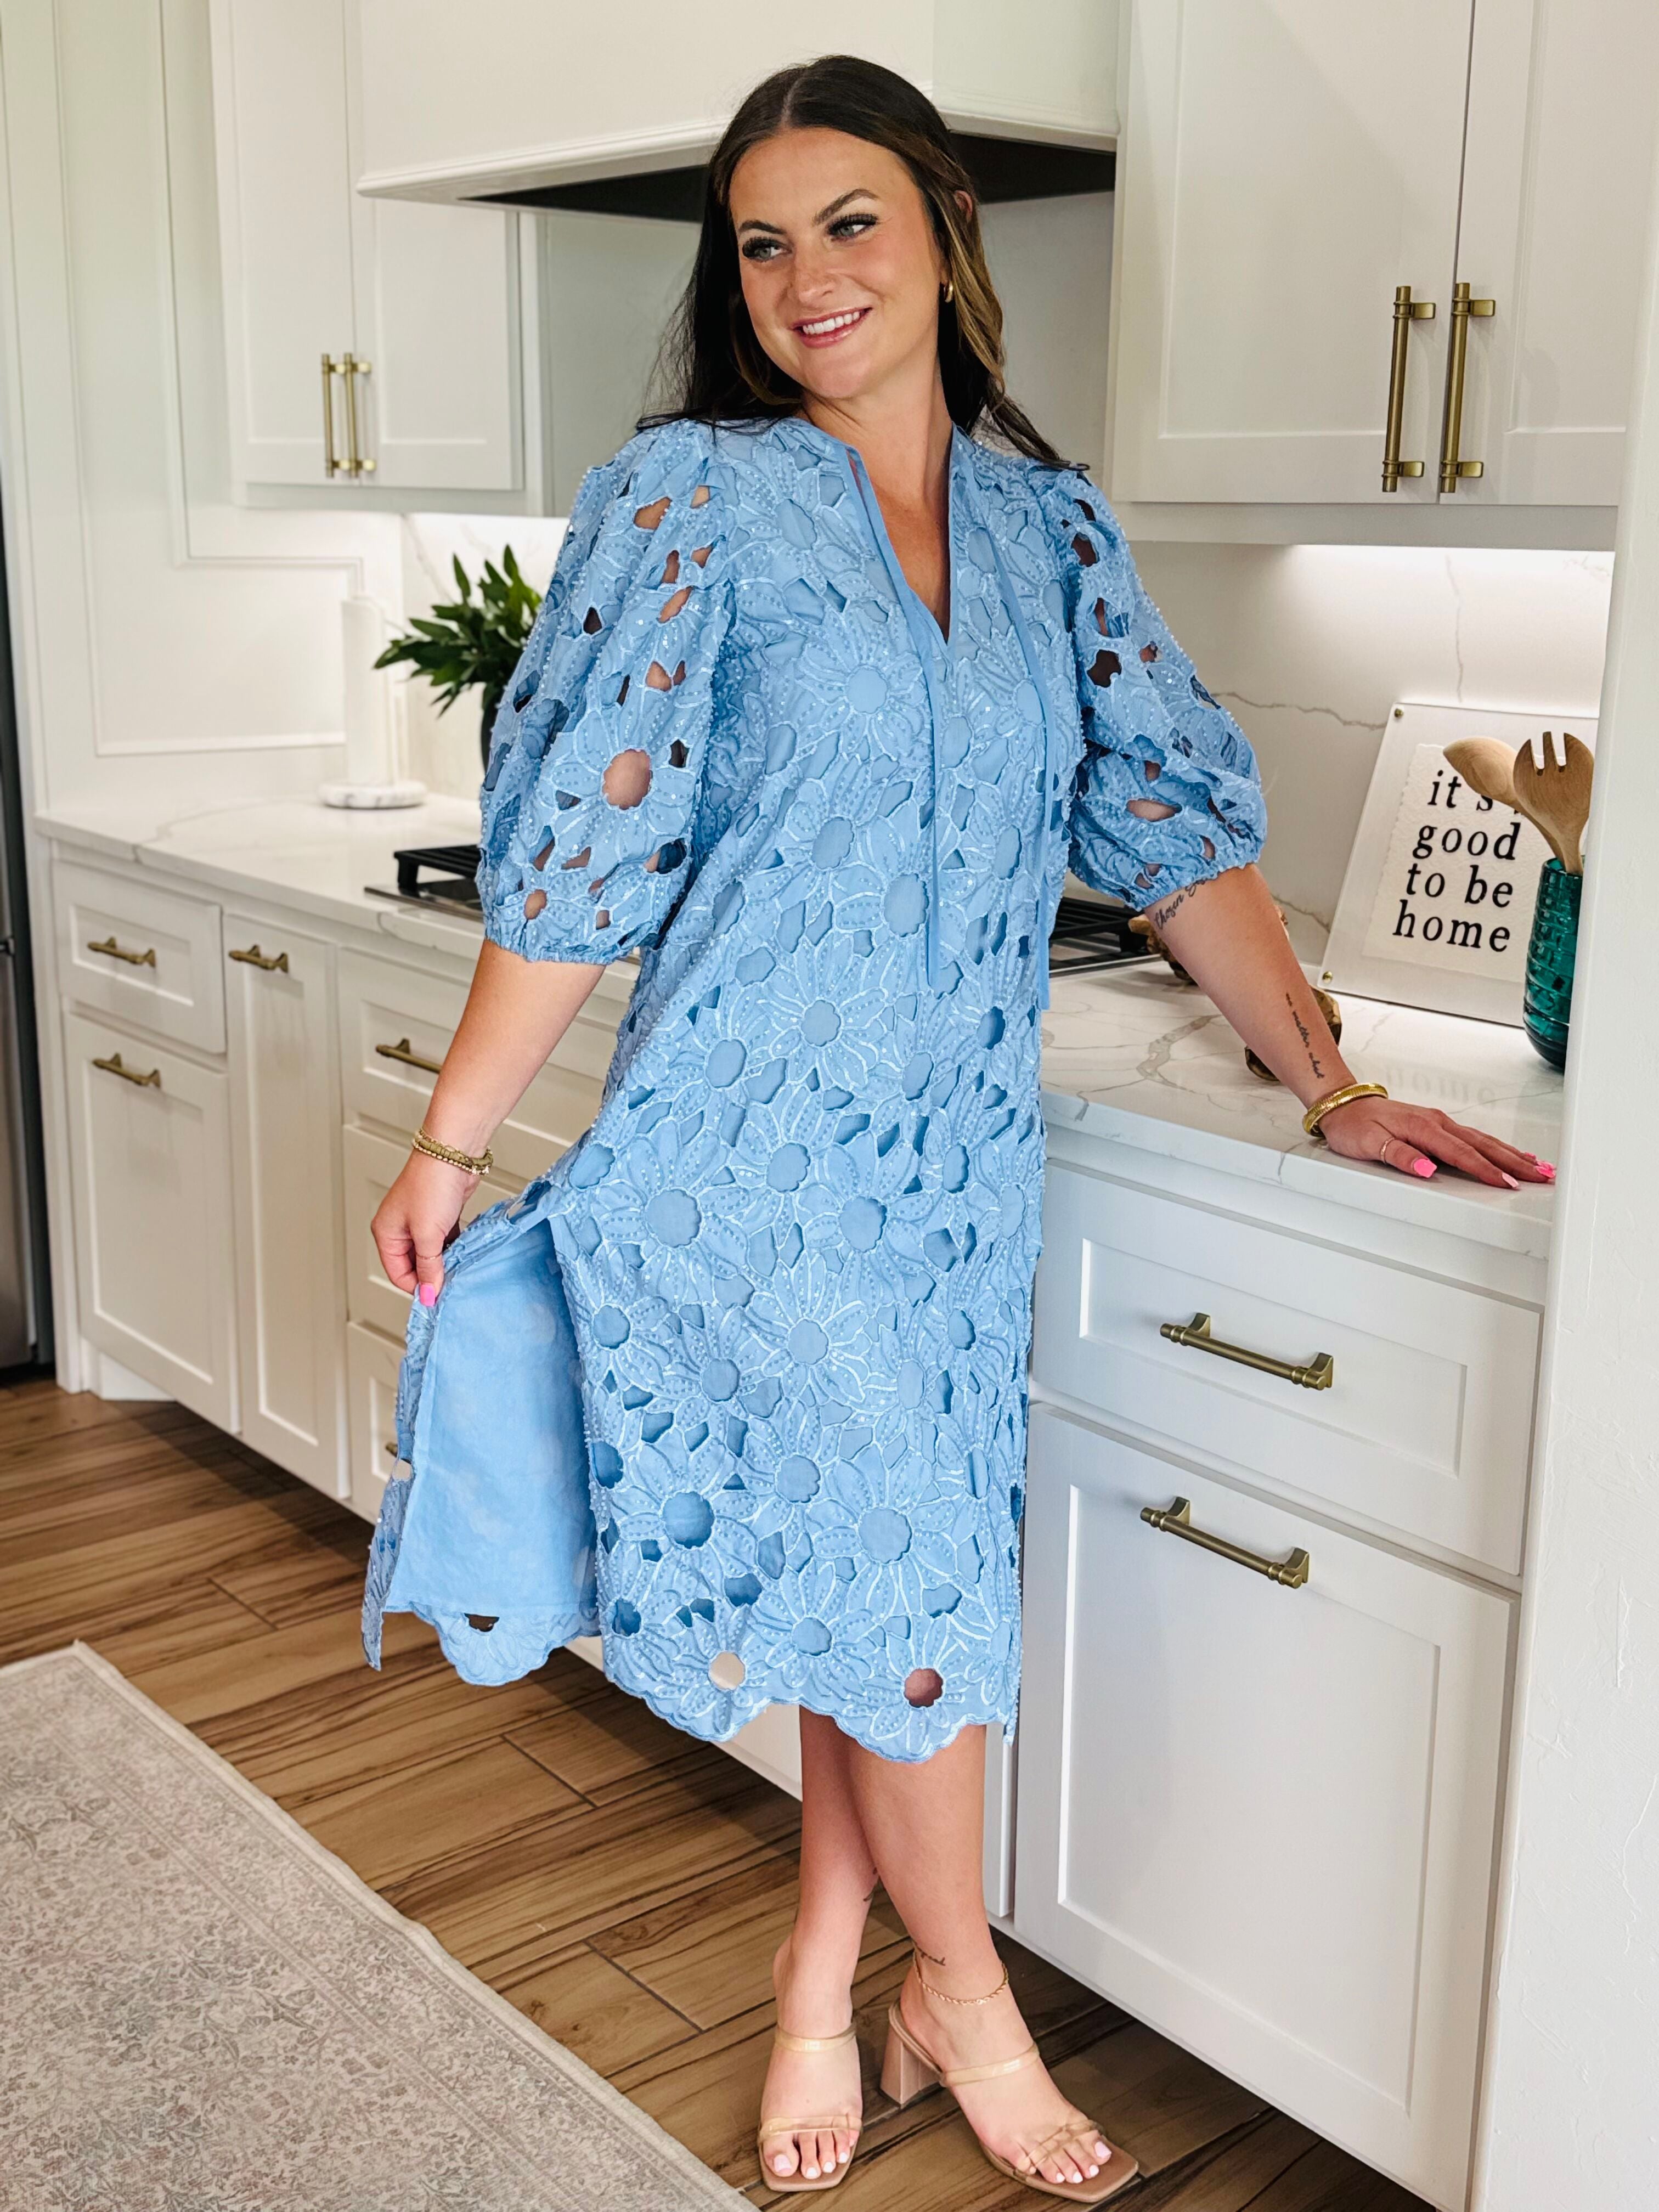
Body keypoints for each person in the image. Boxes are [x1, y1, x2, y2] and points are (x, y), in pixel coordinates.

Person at [363, 54, 1553, 2203]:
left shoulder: (1048, 531)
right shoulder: (689, 500)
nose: (806, 275)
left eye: (849, 222)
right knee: (910, 1593)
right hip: (746, 1162)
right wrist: (452, 1139)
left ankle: (830, 1979)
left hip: (950, 1180)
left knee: (876, 1586)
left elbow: (1176, 841)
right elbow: (573, 864)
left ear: (945, 228)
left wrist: (1338, 1079)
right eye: (762, 242)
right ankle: (972, 1995)